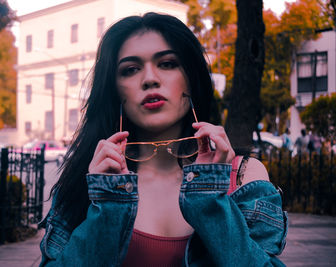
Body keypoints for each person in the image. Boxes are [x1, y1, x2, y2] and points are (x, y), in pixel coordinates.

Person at [39, 13, 287, 266]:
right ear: (114, 89)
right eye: (130, 69)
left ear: (192, 77)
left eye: (167, 63)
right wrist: (107, 206)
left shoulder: (242, 177)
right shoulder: (91, 181)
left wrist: (209, 198)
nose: (150, 79)